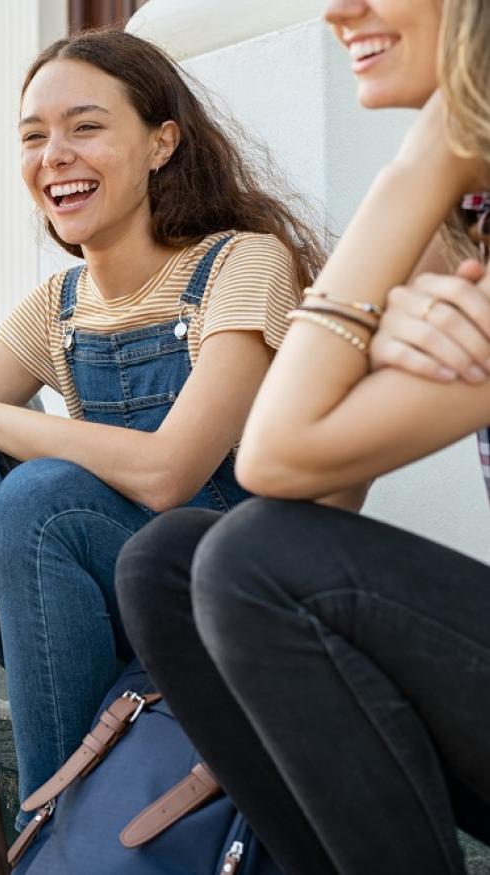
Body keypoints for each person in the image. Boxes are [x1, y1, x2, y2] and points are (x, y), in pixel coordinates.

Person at [0, 29, 324, 874]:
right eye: (32, 135)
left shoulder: (242, 264)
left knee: (43, 496)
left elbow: (171, 471)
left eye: (85, 127)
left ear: (163, 141)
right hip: (98, 593)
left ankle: (57, 843)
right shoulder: (55, 304)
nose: (54, 155)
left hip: (218, 596)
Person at [115, 0, 490, 872]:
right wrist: (375, 329)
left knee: (249, 557)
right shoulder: (468, 218)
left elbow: (274, 456)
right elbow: (308, 491)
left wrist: (424, 155)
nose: (337, 8)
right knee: (169, 562)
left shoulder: (440, 176)